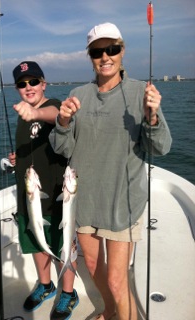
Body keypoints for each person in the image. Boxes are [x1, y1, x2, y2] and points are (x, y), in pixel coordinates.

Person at [49, 23, 172, 320]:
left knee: (118, 280)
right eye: (97, 51)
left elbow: (160, 147)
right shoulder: (78, 94)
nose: (106, 56)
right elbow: (62, 148)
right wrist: (63, 123)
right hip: (83, 201)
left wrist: (152, 117)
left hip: (122, 203)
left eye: (112, 49)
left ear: (122, 51)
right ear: (90, 56)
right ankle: (111, 311)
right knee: (92, 268)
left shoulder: (142, 92)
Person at [9, 61, 79, 320]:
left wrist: (35, 113)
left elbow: (57, 116)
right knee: (37, 241)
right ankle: (46, 285)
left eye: (33, 81)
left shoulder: (55, 105)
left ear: (44, 83)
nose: (28, 87)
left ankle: (69, 293)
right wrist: (18, 157)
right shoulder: (21, 114)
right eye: (21, 84)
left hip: (57, 193)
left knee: (63, 244)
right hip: (29, 195)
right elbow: (34, 146)